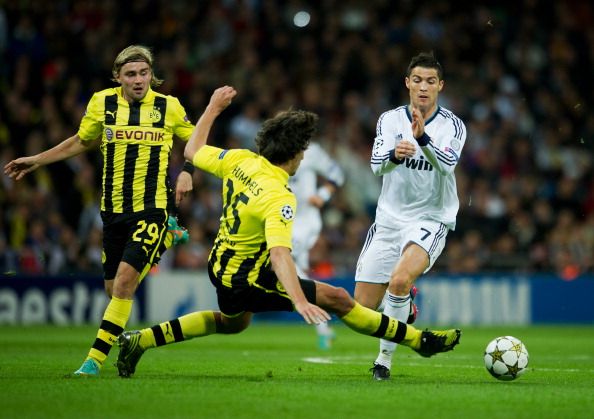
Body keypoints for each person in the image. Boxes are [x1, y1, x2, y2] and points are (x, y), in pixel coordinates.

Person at [115, 85, 461, 378]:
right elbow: (280, 254)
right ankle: (420, 341)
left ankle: (140, 339)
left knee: (232, 323)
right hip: (246, 276)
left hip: (222, 262)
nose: (304, 157)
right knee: (338, 299)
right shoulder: (279, 197)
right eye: (303, 151)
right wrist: (299, 301)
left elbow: (192, 150)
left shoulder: (240, 159)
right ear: (294, 155)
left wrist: (211, 109)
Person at [4, 45, 196, 376]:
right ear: (118, 77)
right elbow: (80, 141)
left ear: (152, 74)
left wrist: (188, 170)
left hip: (151, 208)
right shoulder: (101, 103)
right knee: (113, 291)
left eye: (144, 73)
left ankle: (93, 361)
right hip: (112, 212)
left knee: (123, 284)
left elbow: (196, 142)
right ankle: (166, 239)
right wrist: (36, 160)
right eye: (131, 74)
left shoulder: (169, 107)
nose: (138, 80)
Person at [353, 51, 467, 380]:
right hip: (389, 220)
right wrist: (394, 154)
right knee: (362, 311)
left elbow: (447, 165)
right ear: (407, 83)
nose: (423, 87)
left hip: (430, 218)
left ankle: (383, 363)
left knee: (399, 280)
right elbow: (377, 166)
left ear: (440, 86)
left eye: (430, 81)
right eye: (417, 80)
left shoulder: (453, 126)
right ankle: (408, 307)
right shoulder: (389, 120)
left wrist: (422, 140)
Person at [289, 141, 344, 349]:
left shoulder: (311, 152)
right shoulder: (270, 150)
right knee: (296, 275)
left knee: (285, 263)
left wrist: (322, 195)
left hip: (304, 221)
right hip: (281, 219)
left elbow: (337, 174)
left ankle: (326, 324)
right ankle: (324, 328)